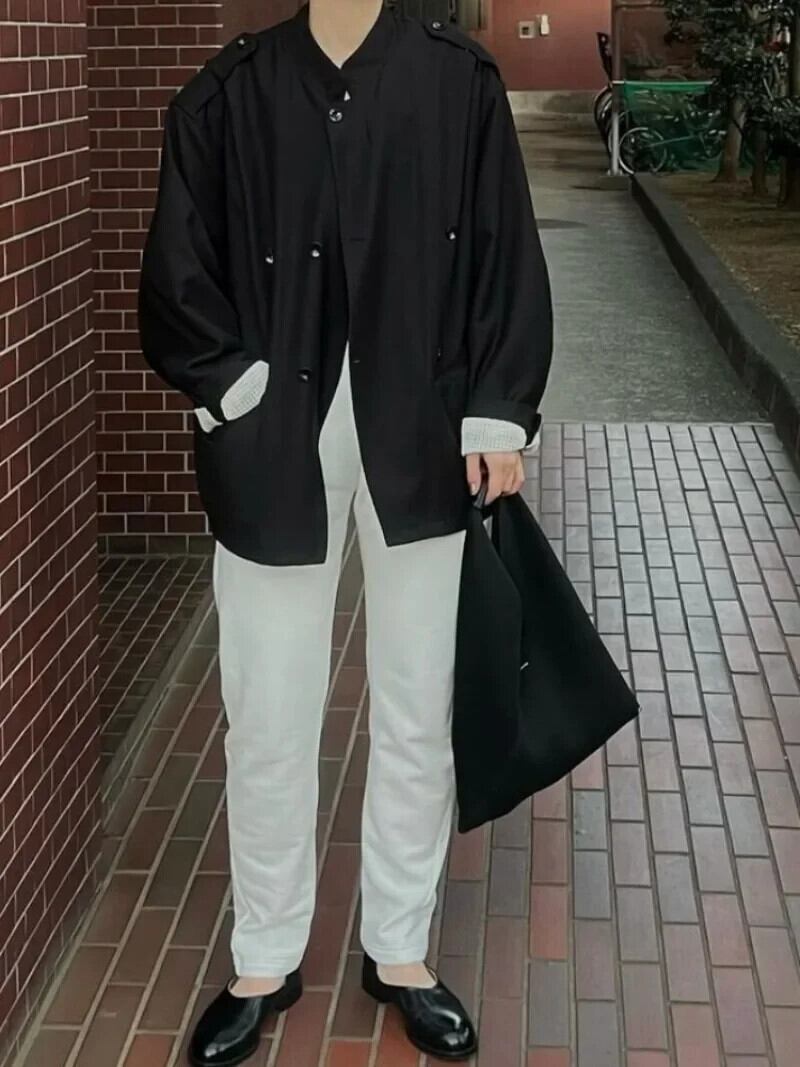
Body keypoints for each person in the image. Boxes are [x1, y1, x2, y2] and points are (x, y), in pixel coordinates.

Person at [137, 1, 552, 1063]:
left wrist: (498, 408)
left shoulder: (457, 82)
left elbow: (502, 248)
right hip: (272, 440)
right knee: (266, 707)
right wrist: (230, 387)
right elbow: (179, 261)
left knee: (417, 700)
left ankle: (399, 947)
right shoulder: (227, 93)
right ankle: (264, 954)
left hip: (423, 429)